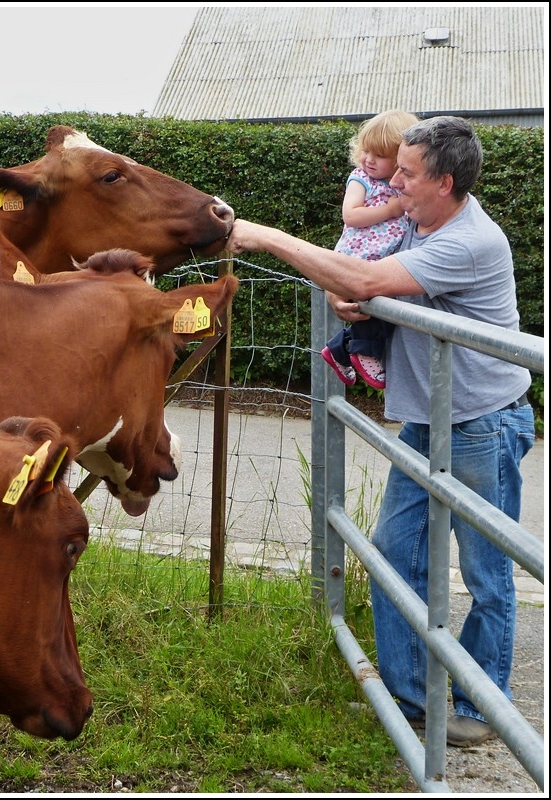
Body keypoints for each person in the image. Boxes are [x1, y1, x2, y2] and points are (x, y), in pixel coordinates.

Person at [225, 116, 535, 748]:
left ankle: (482, 703)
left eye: (408, 173)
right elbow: (370, 282)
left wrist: (264, 236)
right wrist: (352, 300)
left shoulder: (470, 240)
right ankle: (416, 699)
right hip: (430, 419)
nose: (393, 180)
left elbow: (368, 277)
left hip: (481, 422)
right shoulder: (421, 224)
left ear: (445, 182)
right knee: (395, 551)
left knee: (485, 569)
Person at [322, 109, 419, 390]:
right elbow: (351, 215)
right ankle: (364, 351)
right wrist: (388, 209)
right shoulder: (361, 178)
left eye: (379, 155)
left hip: (385, 256)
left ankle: (339, 350)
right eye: (366, 151)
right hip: (360, 254)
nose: (369, 159)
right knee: (368, 306)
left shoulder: (399, 185)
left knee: (382, 310)